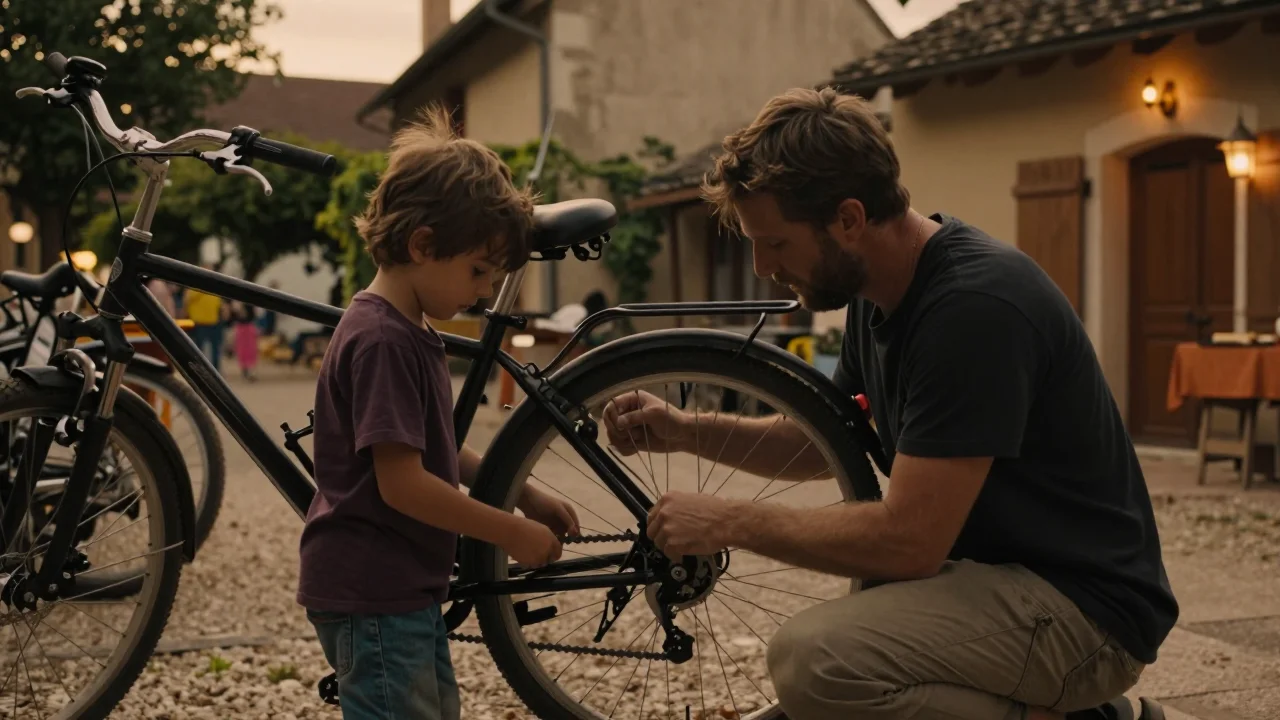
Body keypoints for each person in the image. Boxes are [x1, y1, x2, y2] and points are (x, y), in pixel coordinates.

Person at [602, 87, 1177, 720]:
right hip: (1000, 582)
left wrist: (731, 521)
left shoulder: (972, 310)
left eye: (777, 243)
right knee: (833, 668)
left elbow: (909, 542)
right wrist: (685, 429)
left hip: (1086, 614)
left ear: (849, 219)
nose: (763, 267)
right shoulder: (875, 293)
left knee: (816, 662)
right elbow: (819, 442)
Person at [296, 105, 581, 720]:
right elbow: (402, 484)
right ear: (423, 245)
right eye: (478, 270)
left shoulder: (406, 327)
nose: (484, 290)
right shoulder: (382, 340)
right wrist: (508, 531)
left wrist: (524, 494)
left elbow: (433, 446)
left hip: (398, 586)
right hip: (374, 590)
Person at [184, 272, 224, 372]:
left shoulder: (214, 288)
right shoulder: (195, 288)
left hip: (213, 321)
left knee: (215, 348)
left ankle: (215, 369)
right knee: (198, 348)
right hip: (199, 322)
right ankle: (199, 368)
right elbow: (187, 300)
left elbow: (219, 305)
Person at [231, 300, 259, 382]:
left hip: (249, 326)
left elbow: (255, 315)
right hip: (241, 327)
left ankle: (250, 371)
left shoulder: (250, 302)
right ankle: (245, 369)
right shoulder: (236, 302)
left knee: (251, 350)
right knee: (242, 350)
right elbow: (234, 316)